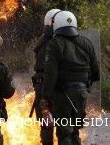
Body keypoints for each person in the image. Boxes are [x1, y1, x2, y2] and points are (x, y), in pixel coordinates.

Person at [41, 11, 100, 145]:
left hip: (62, 96)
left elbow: (50, 75)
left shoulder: (55, 44)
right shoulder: (87, 43)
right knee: (75, 131)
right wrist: (85, 87)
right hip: (82, 94)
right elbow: (96, 73)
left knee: (64, 133)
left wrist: (45, 98)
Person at [32, 9, 61, 145]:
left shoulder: (42, 41)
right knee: (63, 124)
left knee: (46, 124)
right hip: (56, 87)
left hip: (42, 87)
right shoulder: (58, 42)